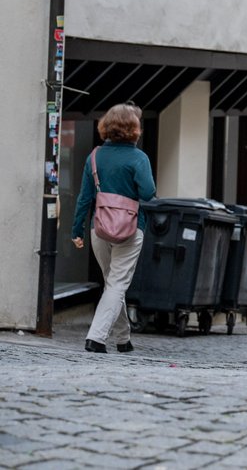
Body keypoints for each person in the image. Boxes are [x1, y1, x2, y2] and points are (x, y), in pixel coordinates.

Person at [71, 103, 156, 354]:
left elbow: (84, 198)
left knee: (112, 282)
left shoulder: (95, 156)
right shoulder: (139, 158)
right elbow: (148, 194)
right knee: (117, 283)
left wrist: (76, 229)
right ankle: (95, 338)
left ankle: (122, 338)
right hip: (130, 228)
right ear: (133, 130)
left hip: (99, 228)